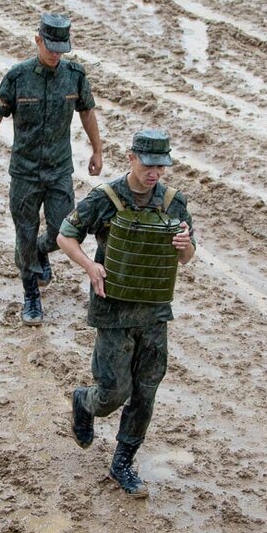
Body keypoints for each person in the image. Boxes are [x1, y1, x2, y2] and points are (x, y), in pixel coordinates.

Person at [56, 130, 195, 497]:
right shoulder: (105, 198)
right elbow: (65, 235)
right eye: (149, 164)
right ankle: (83, 402)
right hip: (114, 312)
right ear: (131, 158)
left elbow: (186, 254)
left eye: (161, 166)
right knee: (113, 393)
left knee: (145, 393)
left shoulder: (172, 202)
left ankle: (123, 462)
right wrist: (89, 265)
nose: (155, 173)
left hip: (154, 313)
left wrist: (185, 246)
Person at [0, 12, 103, 325]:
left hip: (59, 170)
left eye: (61, 48)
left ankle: (39, 253)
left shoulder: (75, 75)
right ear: (38, 41)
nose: (56, 53)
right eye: (50, 46)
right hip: (25, 173)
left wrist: (97, 149)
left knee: (64, 231)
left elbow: (87, 112)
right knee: (25, 234)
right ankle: (31, 294)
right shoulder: (18, 77)